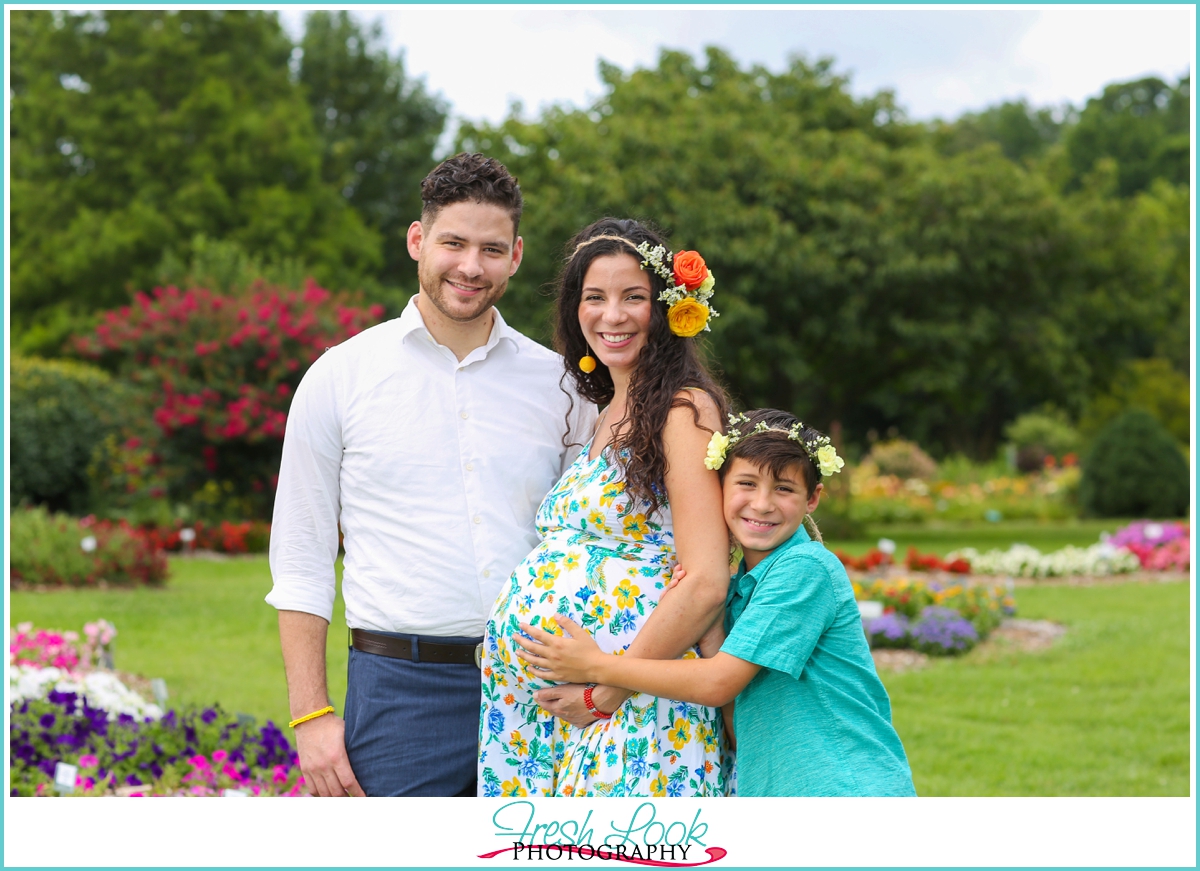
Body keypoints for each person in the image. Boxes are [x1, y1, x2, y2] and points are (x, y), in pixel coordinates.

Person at [265, 153, 596, 797]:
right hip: (401, 694)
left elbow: (590, 543)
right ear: (418, 240)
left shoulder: (561, 385)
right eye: (454, 242)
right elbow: (302, 557)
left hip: (540, 681)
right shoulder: (340, 377)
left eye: (491, 249)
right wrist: (310, 713)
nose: (471, 266)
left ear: (517, 255)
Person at [515, 408, 918, 797]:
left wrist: (594, 667)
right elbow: (736, 725)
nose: (762, 504)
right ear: (719, 487)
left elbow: (717, 682)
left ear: (812, 498)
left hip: (846, 789)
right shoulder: (742, 583)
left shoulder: (805, 569)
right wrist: (710, 627)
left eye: (784, 488)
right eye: (746, 483)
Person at [478, 218, 733, 798]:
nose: (611, 315)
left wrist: (607, 688)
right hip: (551, 716)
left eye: (633, 297)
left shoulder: (682, 410)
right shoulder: (604, 411)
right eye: (595, 297)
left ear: (668, 308)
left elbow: (705, 582)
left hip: (631, 707)